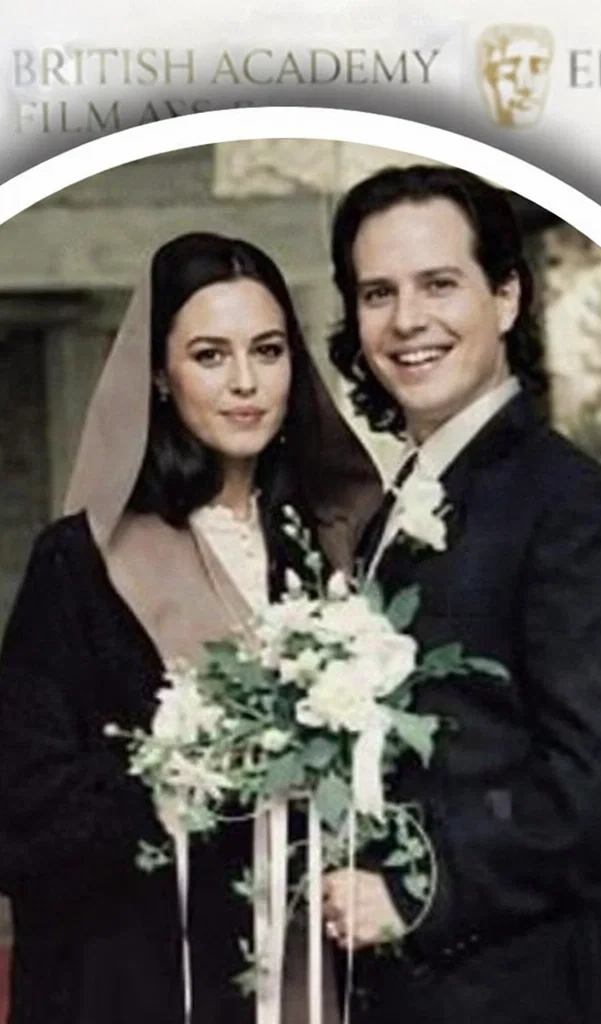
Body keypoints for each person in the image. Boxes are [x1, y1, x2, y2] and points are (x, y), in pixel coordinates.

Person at [0, 232, 380, 1023]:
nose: (245, 382)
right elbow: (23, 809)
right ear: (159, 377)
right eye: (210, 355)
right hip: (148, 974)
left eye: (268, 351)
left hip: (327, 967)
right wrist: (197, 767)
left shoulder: (342, 543)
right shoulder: (82, 564)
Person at [317, 164, 601, 1023]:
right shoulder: (401, 499)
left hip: (517, 988)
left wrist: (415, 889)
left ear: (506, 297)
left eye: (439, 284)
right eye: (378, 293)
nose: (407, 320)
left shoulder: (570, 507)